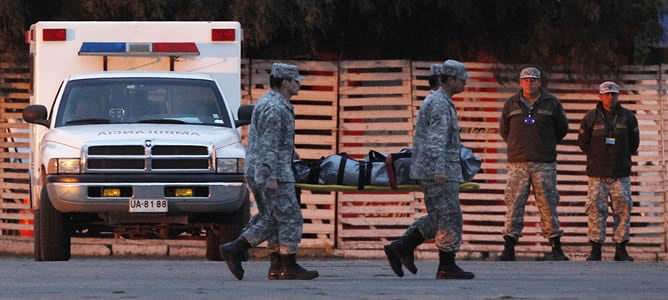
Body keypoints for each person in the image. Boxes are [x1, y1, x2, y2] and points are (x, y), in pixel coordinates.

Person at [219, 63, 318, 280]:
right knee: (289, 217)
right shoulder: (275, 107)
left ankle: (276, 266)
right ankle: (238, 249)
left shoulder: (268, 102)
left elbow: (273, 138)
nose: (299, 84)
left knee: (272, 216)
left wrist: (292, 153)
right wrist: (271, 174)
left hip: (259, 168)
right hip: (274, 172)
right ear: (285, 83)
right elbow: (269, 143)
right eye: (295, 80)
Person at [384, 60, 474, 280]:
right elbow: (437, 138)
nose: (464, 83)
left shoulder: (440, 101)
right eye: (461, 79)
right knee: (449, 216)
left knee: (439, 217)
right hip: (439, 171)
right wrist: (438, 168)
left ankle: (402, 246)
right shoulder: (440, 103)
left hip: (440, 168)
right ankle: (446, 266)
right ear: (450, 79)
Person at [498, 67, 570, 261]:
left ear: (540, 82)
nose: (529, 83)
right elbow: (504, 131)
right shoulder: (510, 104)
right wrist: (519, 146)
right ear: (520, 83)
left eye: (533, 79)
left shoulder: (552, 103)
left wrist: (544, 144)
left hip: (544, 163)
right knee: (514, 204)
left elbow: (562, 129)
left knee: (548, 204)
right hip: (518, 163)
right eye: (526, 80)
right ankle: (509, 248)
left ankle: (556, 248)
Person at [577, 81, 639, 261]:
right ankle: (596, 249)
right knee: (596, 209)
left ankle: (621, 249)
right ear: (600, 96)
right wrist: (598, 155)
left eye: (613, 94)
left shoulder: (628, 117)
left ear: (618, 96)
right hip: (597, 172)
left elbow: (634, 143)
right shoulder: (590, 117)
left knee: (623, 208)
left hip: (621, 172)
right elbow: (583, 143)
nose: (610, 97)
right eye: (607, 94)